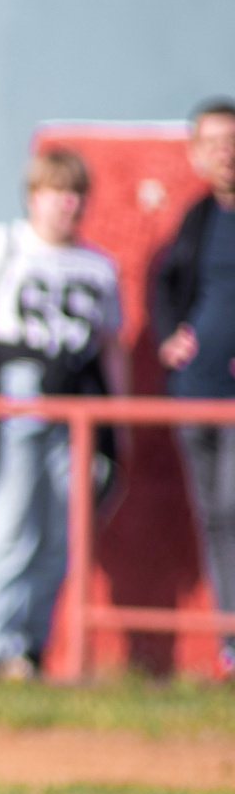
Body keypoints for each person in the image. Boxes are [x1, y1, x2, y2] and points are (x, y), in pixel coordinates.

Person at [0, 146, 125, 681]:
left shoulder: (97, 265)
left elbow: (110, 347)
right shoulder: (0, 243)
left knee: (60, 532)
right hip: (17, 393)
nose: (66, 205)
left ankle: (29, 649)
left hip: (78, 400)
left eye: (76, 194)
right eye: (56, 193)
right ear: (34, 197)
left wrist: (119, 423)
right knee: (7, 527)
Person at [152, 97, 235, 672]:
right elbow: (165, 284)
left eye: (232, 140)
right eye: (213, 143)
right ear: (196, 153)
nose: (225, 153)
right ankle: (230, 643)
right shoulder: (196, 219)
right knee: (215, 516)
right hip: (196, 393)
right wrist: (169, 338)